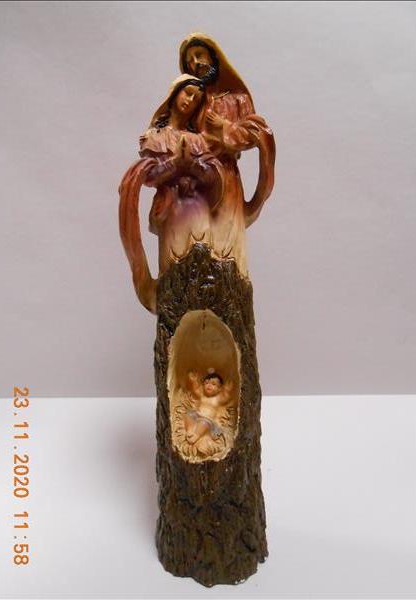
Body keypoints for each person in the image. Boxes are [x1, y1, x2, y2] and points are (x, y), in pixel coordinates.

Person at [119, 75, 225, 313]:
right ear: (175, 93)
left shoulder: (197, 140)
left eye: (197, 99)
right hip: (172, 211)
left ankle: (201, 319)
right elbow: (149, 175)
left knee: (201, 262)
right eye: (188, 93)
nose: (190, 101)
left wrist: (195, 167)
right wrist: (176, 163)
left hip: (198, 210)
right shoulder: (155, 136)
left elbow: (213, 175)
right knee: (174, 265)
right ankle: (175, 317)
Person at [178, 33, 276, 275]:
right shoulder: (192, 102)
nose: (195, 63)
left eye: (199, 55)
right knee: (194, 245)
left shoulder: (237, 99)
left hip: (226, 178)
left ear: (214, 57)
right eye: (189, 61)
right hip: (194, 183)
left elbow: (255, 132)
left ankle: (228, 288)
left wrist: (224, 127)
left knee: (226, 246)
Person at [184, 369, 233, 448]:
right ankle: (190, 429)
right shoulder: (202, 395)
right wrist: (194, 380)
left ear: (219, 389)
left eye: (213, 384)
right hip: (197, 415)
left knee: (203, 423)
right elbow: (196, 390)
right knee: (188, 414)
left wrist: (228, 389)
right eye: (206, 383)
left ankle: (196, 436)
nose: (209, 385)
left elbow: (226, 397)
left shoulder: (218, 399)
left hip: (208, 421)